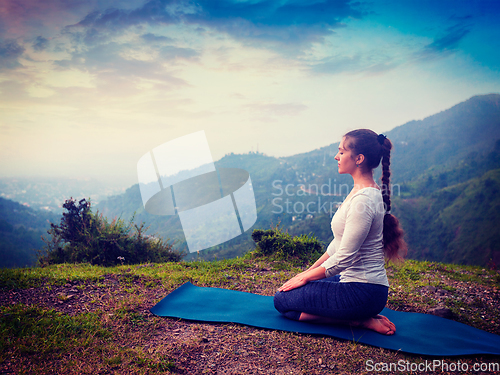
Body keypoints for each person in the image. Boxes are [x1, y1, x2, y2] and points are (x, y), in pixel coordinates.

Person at [273, 129, 407, 335]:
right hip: (355, 283)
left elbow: (344, 258)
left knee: (282, 301)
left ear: (359, 158)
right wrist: (307, 273)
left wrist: (306, 278)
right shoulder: (359, 192)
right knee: (292, 288)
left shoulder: (363, 200)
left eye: (342, 152)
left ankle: (359, 321)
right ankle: (358, 316)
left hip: (363, 292)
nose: (337, 156)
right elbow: (337, 245)